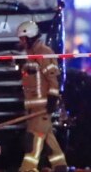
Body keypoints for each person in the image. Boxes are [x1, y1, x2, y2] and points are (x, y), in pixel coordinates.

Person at [16, 21, 67, 172]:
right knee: (49, 139)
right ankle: (60, 166)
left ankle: (27, 169)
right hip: (33, 108)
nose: (21, 42)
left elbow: (53, 78)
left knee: (34, 141)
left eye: (23, 38)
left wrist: (52, 99)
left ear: (30, 37)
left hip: (42, 107)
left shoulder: (44, 52)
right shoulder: (30, 56)